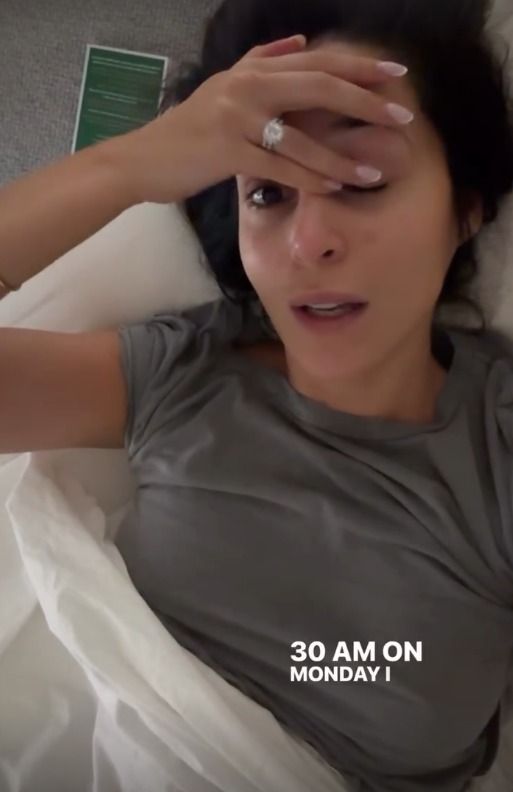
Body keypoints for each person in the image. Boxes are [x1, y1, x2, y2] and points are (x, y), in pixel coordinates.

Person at [1, 0, 513, 789]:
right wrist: (128, 165)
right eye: (268, 195)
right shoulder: (182, 375)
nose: (310, 242)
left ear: (465, 209)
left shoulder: (494, 440)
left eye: (364, 180)